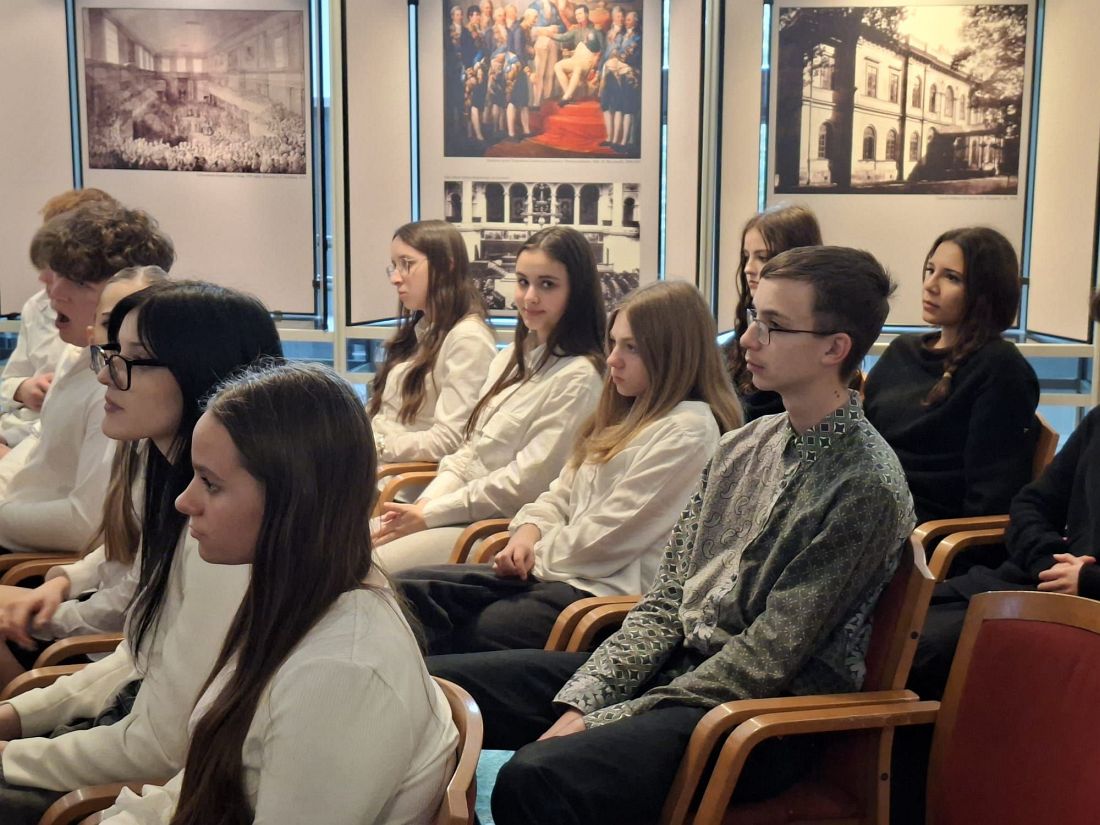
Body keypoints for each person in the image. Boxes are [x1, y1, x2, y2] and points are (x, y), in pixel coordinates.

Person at [430, 245, 915, 824]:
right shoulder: (744, 445)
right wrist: (591, 696)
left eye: (774, 325)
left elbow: (767, 660)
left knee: (536, 777)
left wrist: (606, 715)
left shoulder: (864, 485)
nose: (749, 339)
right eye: (753, 317)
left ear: (835, 349)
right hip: (676, 670)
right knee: (435, 689)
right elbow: (666, 600)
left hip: (760, 719)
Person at [96, 362, 457, 824]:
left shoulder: (340, 674)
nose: (184, 501)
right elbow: (208, 780)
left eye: (210, 483)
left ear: (293, 500)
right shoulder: (297, 600)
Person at [0, 282, 283, 825]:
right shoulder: (166, 481)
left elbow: (164, 746)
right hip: (131, 739)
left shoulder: (229, 534)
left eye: (132, 361)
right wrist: (15, 718)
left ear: (202, 370)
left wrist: (13, 751)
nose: (106, 376)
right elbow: (138, 657)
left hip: (164, 784)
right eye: (110, 354)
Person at [398, 281, 743, 655]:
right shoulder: (625, 412)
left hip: (601, 597)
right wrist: (526, 533)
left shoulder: (689, 430)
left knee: (463, 632)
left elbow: (607, 539)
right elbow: (558, 494)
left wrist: (535, 552)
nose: (613, 360)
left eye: (632, 348)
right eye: (614, 343)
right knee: (407, 591)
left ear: (673, 354)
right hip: (560, 574)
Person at [373, 225, 606, 572]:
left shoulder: (579, 377)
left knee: (365, 567)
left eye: (547, 285)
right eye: (523, 282)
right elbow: (467, 453)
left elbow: (523, 484)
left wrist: (430, 513)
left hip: (493, 530)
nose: (529, 297)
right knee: (340, 552)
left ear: (577, 292)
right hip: (452, 510)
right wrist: (426, 505)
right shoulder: (510, 357)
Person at [0, 266, 169, 687]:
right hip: (89, 605)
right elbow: (120, 546)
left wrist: (50, 615)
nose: (106, 366)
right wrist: (63, 582)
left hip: (102, 642)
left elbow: (132, 593)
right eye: (109, 329)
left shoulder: (175, 461)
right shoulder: (138, 432)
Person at [0, 202, 175, 553]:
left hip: (34, 552)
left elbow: (86, 524)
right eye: (58, 273)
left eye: (79, 281)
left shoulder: (116, 390)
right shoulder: (78, 353)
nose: (55, 290)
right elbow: (41, 440)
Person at [863, 226, 1040, 523]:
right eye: (930, 270)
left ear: (985, 292)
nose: (930, 285)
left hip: (924, 530)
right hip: (867, 506)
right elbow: (862, 439)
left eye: (951, 277)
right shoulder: (901, 351)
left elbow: (991, 497)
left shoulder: (1000, 367)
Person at [0, 189, 117, 461]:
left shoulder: (115, 347)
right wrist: (23, 388)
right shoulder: (37, 307)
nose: (45, 276)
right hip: (18, 430)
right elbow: (10, 381)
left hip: (33, 444)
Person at [369, 220, 496, 464]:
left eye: (407, 264)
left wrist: (375, 446)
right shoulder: (423, 329)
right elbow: (386, 414)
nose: (395, 278)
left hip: (400, 479)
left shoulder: (468, 339)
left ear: (446, 266)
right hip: (378, 468)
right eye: (394, 266)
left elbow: (450, 439)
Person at [724, 203, 823, 422]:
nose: (748, 268)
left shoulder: (809, 342)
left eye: (763, 257)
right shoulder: (733, 346)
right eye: (746, 256)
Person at [552, 5, 605, 104]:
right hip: (576, 58)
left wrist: (597, 60)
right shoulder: (576, 30)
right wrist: (550, 34)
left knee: (577, 67)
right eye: (576, 14)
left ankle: (565, 98)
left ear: (587, 14)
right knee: (557, 66)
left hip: (588, 61)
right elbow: (563, 37)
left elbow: (603, 49)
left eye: (580, 13)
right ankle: (569, 95)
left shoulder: (596, 29)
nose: (578, 16)